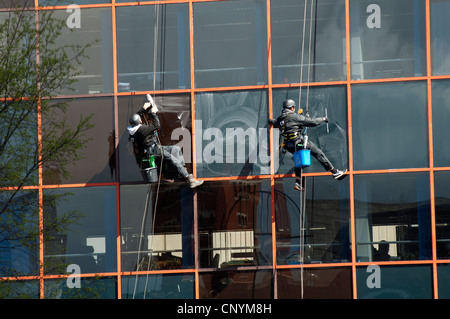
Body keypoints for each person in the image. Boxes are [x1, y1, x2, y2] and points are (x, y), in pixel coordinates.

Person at [127, 94, 204, 188]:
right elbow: (156, 125)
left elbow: (137, 116)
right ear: (139, 122)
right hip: (154, 151)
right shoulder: (142, 130)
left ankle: (183, 171)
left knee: (175, 149)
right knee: (173, 159)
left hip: (152, 149)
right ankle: (189, 179)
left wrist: (144, 108)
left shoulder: (132, 129)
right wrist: (153, 113)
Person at [269, 99, 347, 191]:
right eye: (293, 108)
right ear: (292, 107)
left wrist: (271, 121)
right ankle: (334, 172)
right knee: (319, 153)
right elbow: (312, 122)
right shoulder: (294, 117)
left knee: (299, 161)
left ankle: (298, 182)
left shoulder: (280, 119)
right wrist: (323, 119)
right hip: (298, 143)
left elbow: (275, 123)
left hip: (289, 145)